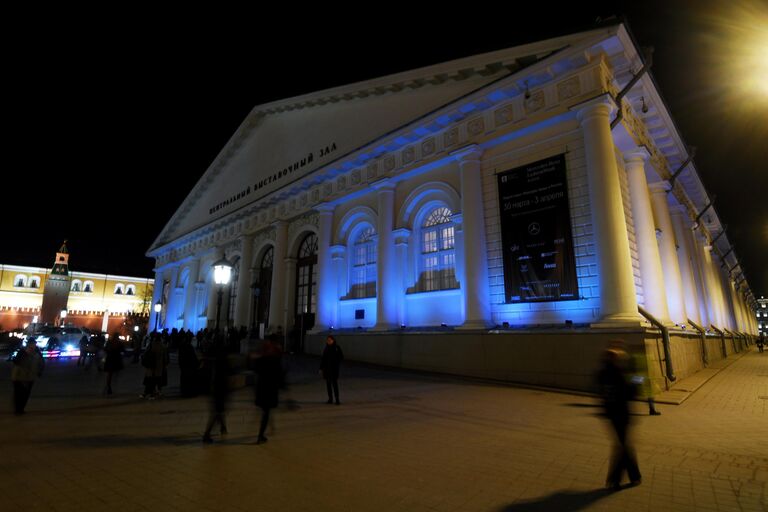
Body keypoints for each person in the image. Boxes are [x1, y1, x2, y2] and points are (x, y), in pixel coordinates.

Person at [597, 341, 642, 490]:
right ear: (615, 359)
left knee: (623, 445)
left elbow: (599, 391)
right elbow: (631, 393)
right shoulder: (619, 374)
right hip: (622, 414)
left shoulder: (602, 373)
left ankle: (633, 476)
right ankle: (616, 480)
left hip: (610, 414)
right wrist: (638, 379)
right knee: (623, 447)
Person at [253, 335, 284, 444]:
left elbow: (255, 369)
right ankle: (261, 435)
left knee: (265, 411)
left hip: (261, 388)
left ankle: (265, 431)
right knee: (266, 412)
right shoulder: (275, 358)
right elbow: (280, 374)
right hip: (270, 389)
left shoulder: (262, 357)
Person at [202, 337, 231, 443]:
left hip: (216, 386)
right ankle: (207, 434)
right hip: (220, 387)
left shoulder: (214, 356)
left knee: (219, 410)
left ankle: (223, 427)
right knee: (218, 411)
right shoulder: (222, 357)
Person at [11, 339, 44, 414]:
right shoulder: (22, 352)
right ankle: (18, 409)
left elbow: (41, 362)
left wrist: (40, 371)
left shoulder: (37, 353)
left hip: (30, 377)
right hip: (19, 377)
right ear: (28, 344)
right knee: (19, 394)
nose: (32, 345)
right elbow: (16, 361)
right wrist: (25, 354)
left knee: (26, 394)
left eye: (34, 344)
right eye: (31, 344)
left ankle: (21, 409)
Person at [140, 333, 168, 399]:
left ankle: (148, 392)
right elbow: (165, 357)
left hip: (151, 365)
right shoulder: (163, 346)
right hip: (159, 366)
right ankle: (156, 392)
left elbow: (145, 354)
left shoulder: (151, 345)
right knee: (157, 379)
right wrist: (165, 364)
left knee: (149, 379)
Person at [320, 335, 344, 405]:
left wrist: (336, 363)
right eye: (328, 340)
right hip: (327, 369)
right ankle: (330, 399)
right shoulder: (326, 348)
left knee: (335, 384)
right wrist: (321, 368)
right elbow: (323, 359)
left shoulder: (337, 348)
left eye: (330, 340)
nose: (328, 341)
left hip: (334, 369)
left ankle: (337, 399)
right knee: (328, 385)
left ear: (333, 340)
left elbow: (341, 357)